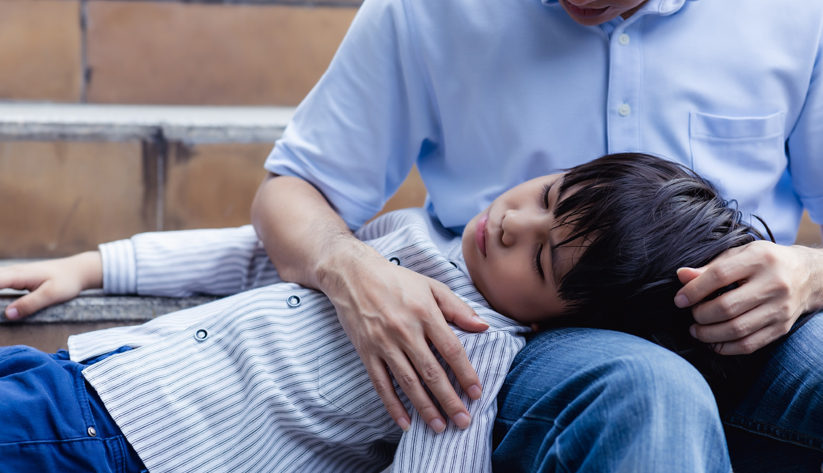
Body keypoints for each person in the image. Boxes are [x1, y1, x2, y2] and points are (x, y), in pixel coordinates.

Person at [244, 0, 823, 470]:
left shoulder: (799, 15)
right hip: (526, 334)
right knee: (650, 389)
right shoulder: (427, 10)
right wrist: (353, 269)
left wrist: (809, 273)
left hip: (751, 328)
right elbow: (295, 185)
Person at [0, 153, 775, 472]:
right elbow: (249, 253)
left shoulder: (473, 352)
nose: (513, 222)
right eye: (546, 195)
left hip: (122, 445)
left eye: (540, 258)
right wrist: (88, 266)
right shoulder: (408, 234)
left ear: (562, 323)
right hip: (83, 374)